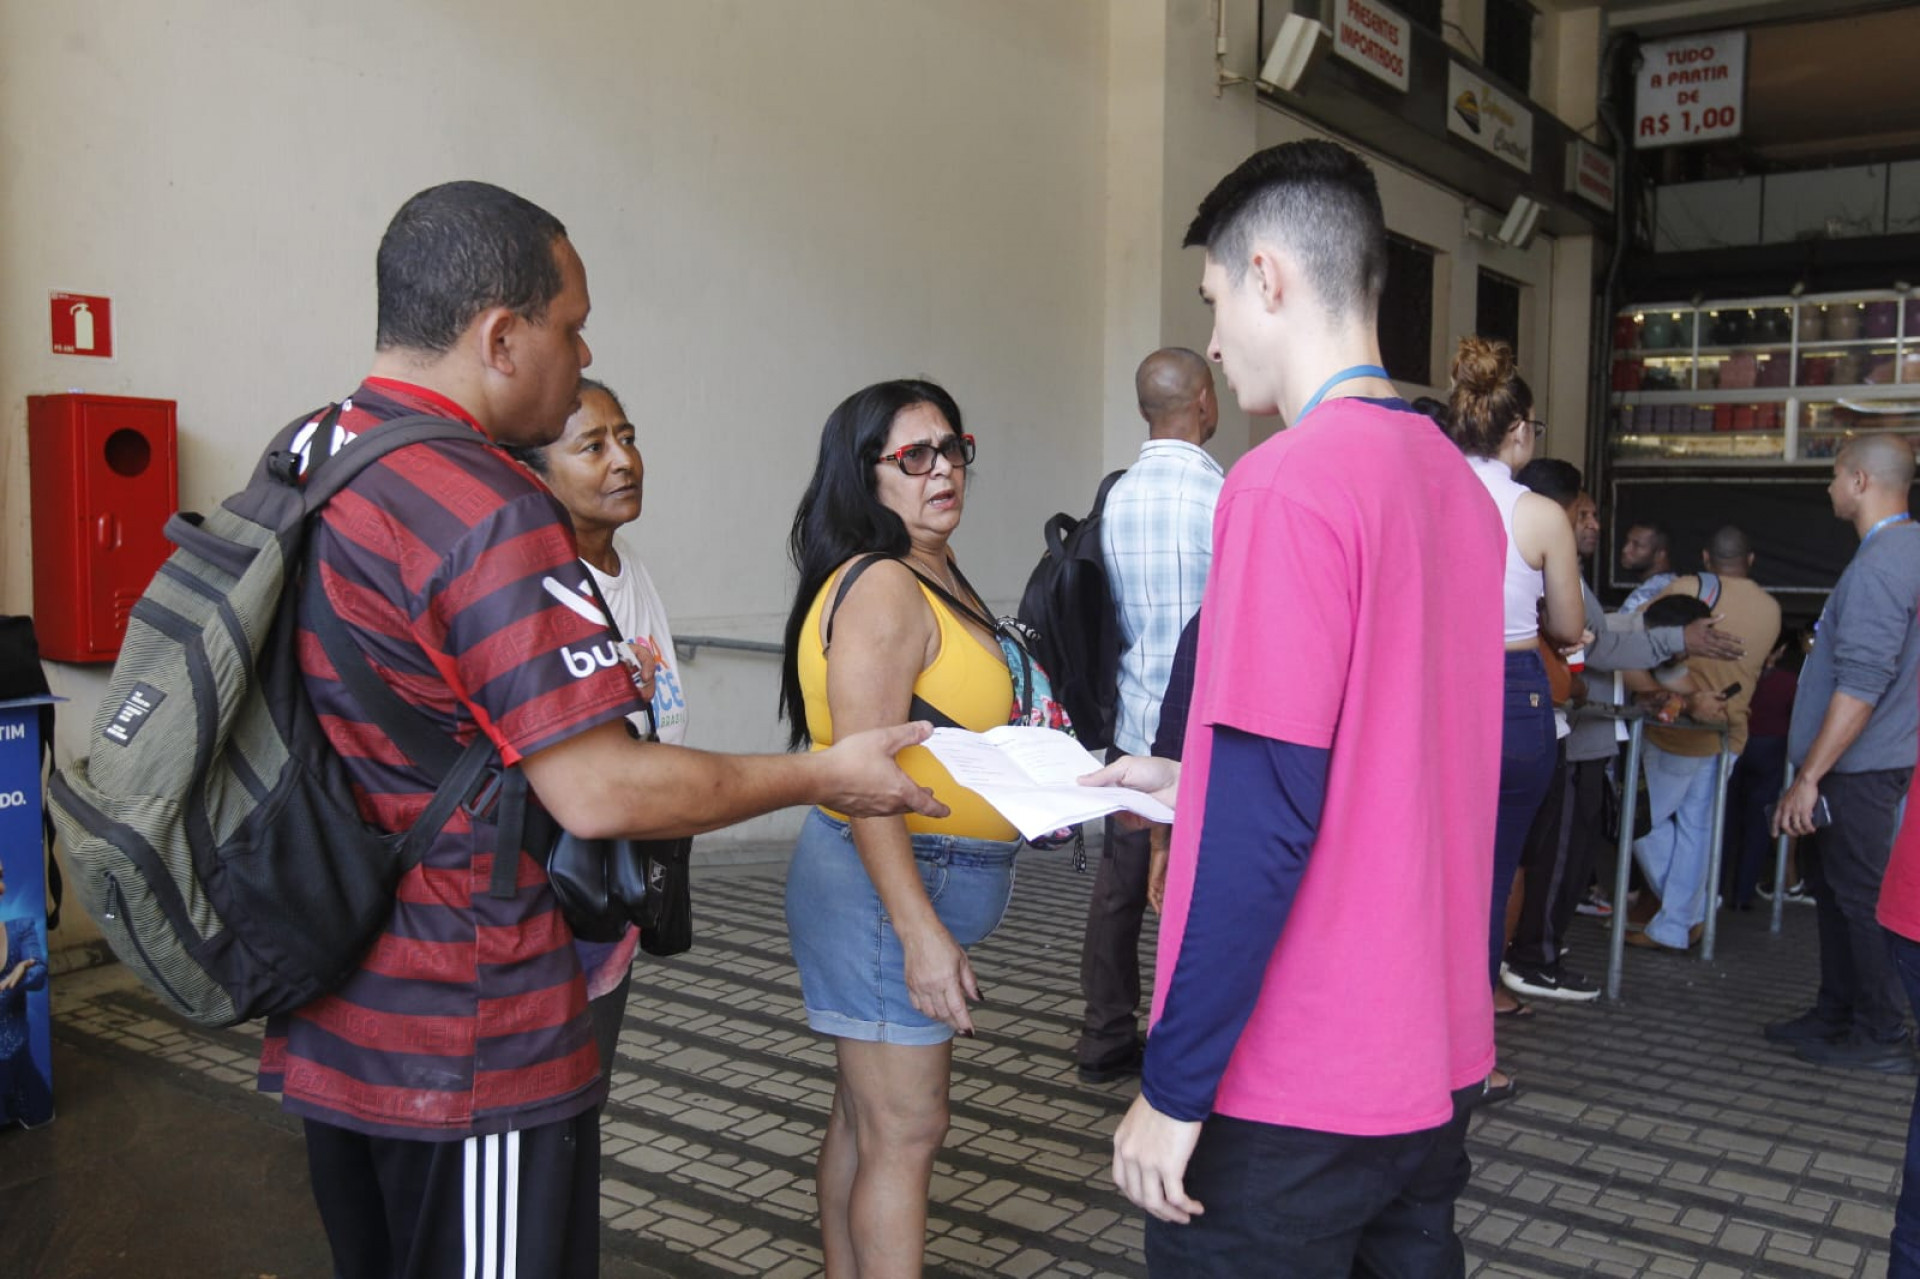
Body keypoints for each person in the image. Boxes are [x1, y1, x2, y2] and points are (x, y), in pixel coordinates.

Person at [267, 181, 943, 1279]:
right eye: (572, 328)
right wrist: (822, 770)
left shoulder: (315, 451)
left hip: (331, 988)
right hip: (465, 1027)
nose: (584, 356)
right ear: (500, 335)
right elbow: (602, 789)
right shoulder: (482, 502)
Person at [1088, 139, 1508, 1275]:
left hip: (1294, 1084)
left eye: (1216, 300)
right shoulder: (1457, 492)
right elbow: (1401, 754)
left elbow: (1271, 820)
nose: (1214, 344)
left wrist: (1173, 1087)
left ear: (1270, 277)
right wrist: (1193, 779)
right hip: (1432, 1062)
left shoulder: (1285, 484)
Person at [778, 379, 1030, 1279]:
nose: (942, 470)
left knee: (866, 1117)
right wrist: (921, 932)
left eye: (952, 447)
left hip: (908, 880)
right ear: (867, 475)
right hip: (887, 884)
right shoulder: (883, 583)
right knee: (905, 1128)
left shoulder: (927, 566)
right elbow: (867, 780)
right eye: (912, 456)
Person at [506, 377, 688, 1073]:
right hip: (557, 896)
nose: (624, 460)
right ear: (538, 473)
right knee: (550, 1101)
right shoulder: (542, 583)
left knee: (586, 1092)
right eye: (592, 445)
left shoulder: (627, 565)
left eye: (628, 437)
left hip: (617, 887)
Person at [1506, 461, 1744, 992]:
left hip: (1572, 728)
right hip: (1565, 724)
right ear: (1552, 509)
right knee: (1558, 852)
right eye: (1582, 512)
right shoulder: (1541, 564)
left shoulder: (1554, 566)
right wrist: (1674, 643)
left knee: (1564, 851)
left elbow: (1599, 642)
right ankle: (1530, 957)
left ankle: (1535, 950)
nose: (1592, 524)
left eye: (1594, 514)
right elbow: (1598, 645)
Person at [1076, 347, 1223, 1085]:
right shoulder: (1223, 498)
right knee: (1195, 891)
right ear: (1203, 402)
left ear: (1144, 410)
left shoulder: (1117, 497)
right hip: (1202, 734)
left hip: (1133, 727)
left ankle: (1104, 1034)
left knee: (1121, 887)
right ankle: (1180, 1035)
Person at [1444, 337, 1585, 1098]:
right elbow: (1564, 624)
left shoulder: (1426, 491)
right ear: (1521, 428)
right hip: (1511, 693)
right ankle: (1470, 1058)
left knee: (1428, 870)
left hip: (1432, 693)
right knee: (1490, 879)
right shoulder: (1539, 514)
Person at [1769, 433, 1920, 1073]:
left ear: (1860, 481)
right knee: (1835, 892)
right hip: (1865, 763)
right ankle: (1837, 1010)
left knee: (1859, 898)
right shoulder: (1900, 552)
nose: (1829, 488)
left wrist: (1810, 776)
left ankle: (1882, 1029)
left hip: (1859, 767)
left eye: (1834, 475)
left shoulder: (1884, 563)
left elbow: (1861, 685)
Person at [1624, 527, 1780, 953]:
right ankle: (1678, 922)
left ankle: (1688, 912)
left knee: (1637, 821)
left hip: (1672, 726)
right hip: (1728, 731)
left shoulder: (1686, 588)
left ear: (1707, 557)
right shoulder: (1771, 608)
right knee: (1697, 828)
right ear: (1749, 560)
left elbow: (1641, 640)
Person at [0, 862, 52, 1129]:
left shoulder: (20, 928)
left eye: (0, 876)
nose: (1, 887)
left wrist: (19, 976)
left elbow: (39, 972)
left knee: (40, 1114)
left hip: (21, 1061)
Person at [1620, 522, 1677, 614]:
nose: (1625, 550)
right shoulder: (1676, 584)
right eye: (1627, 542)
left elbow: (1620, 626)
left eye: (1637, 545)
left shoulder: (1645, 594)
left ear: (1660, 554)